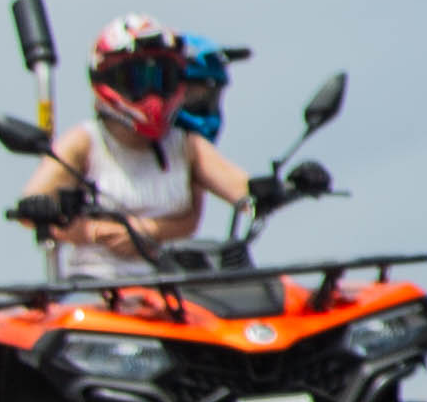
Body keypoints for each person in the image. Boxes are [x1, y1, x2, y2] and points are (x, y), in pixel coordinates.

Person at [17, 14, 260, 279]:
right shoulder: (85, 142)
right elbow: (31, 207)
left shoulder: (185, 145)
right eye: (138, 79)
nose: (152, 95)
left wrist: (287, 185)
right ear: (108, 78)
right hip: (97, 293)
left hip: (174, 295)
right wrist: (93, 230)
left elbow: (245, 191)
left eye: (162, 78)